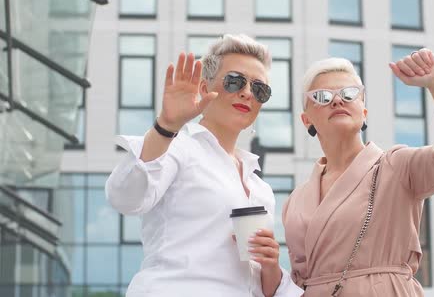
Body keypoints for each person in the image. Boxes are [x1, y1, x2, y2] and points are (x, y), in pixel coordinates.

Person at [105, 34, 303, 297]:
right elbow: (125, 198)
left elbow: (254, 285)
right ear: (203, 89)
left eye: (259, 89)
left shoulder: (259, 187)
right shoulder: (177, 146)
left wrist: (270, 266)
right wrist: (166, 125)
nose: (247, 93)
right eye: (235, 81)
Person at [282, 49, 434, 296]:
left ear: (363, 112)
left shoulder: (396, 167)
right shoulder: (296, 200)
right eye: (322, 97)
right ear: (306, 120)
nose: (336, 101)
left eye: (348, 94)